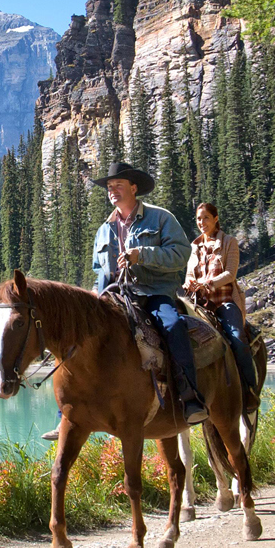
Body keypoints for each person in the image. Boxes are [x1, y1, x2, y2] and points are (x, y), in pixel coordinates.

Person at [90, 161, 206, 424]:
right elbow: (99, 269)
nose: (112, 191)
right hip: (116, 296)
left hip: (154, 292)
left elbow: (181, 254)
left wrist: (141, 255)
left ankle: (190, 397)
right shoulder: (103, 230)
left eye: (118, 185)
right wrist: (96, 299)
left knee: (172, 325)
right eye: (109, 186)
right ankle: (72, 411)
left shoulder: (161, 218)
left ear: (133, 188)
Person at [186, 202, 257, 410]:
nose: (202, 223)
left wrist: (208, 283)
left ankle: (249, 390)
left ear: (215, 219)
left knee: (237, 338)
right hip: (201, 304)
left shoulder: (229, 242)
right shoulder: (195, 245)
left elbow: (230, 274)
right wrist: (189, 282)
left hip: (225, 301)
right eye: (199, 219)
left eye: (206, 218)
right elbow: (190, 274)